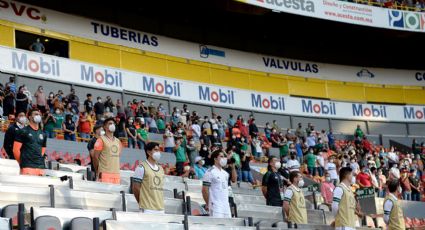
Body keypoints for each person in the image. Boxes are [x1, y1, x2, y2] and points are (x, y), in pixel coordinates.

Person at [202, 150, 236, 218]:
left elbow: (234, 180)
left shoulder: (225, 173)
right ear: (215, 159)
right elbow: (204, 190)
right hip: (216, 205)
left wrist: (233, 168)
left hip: (226, 205)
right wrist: (209, 204)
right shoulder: (210, 171)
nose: (224, 158)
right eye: (221, 156)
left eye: (224, 157)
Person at [132, 142, 164, 213]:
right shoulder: (141, 167)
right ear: (149, 152)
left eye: (158, 150)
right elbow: (135, 188)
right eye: (155, 150)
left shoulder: (161, 168)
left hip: (160, 208)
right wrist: (142, 203)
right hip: (147, 209)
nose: (158, 152)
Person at [13, 109, 47, 176]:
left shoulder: (43, 134)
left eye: (39, 114)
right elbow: (15, 150)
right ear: (30, 117)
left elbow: (43, 149)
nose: (38, 116)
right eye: (36, 114)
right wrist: (22, 162)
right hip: (27, 166)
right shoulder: (23, 131)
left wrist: (38, 158)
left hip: (40, 166)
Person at [93, 117, 123, 184]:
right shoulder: (101, 140)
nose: (112, 125)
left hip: (116, 174)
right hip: (104, 174)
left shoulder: (118, 141)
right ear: (105, 127)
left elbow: (117, 156)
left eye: (113, 124)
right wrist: (98, 171)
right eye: (110, 123)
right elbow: (95, 157)